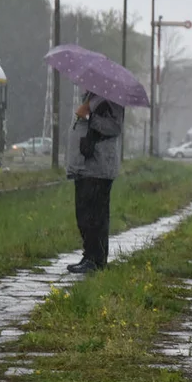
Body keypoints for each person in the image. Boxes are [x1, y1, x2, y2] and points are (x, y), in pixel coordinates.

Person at [66, 90, 125, 274]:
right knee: (83, 215)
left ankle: (96, 259)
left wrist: (89, 115)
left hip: (99, 168)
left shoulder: (112, 99)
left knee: (95, 217)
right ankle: (89, 255)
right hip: (84, 167)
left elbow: (115, 127)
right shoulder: (90, 96)